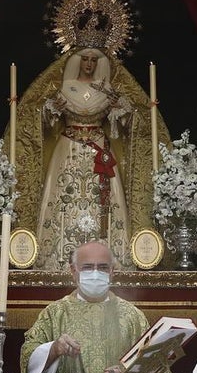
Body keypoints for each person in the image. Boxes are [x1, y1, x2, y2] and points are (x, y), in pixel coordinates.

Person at [12, 45, 168, 271]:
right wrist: (51, 109)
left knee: (103, 201)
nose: (89, 64)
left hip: (100, 152)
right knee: (63, 198)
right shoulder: (64, 89)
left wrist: (121, 110)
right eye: (84, 59)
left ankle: (108, 257)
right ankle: (56, 257)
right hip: (68, 152)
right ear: (77, 61)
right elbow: (40, 122)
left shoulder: (107, 91)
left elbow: (130, 124)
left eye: (93, 60)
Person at [22, 240, 148, 373]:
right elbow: (28, 357)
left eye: (102, 268)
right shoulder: (55, 313)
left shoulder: (133, 317)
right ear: (73, 271)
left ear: (112, 271)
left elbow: (155, 368)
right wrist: (53, 349)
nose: (95, 273)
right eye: (87, 267)